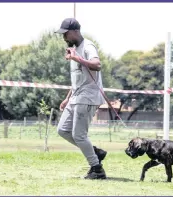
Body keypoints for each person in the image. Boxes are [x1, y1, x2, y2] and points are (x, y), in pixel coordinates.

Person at [55, 18, 107, 179]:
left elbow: (97, 65)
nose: (64, 37)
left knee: (79, 135)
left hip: (88, 97)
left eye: (66, 33)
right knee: (62, 130)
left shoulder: (88, 46)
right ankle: (95, 152)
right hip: (76, 97)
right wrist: (67, 98)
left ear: (75, 31)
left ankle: (97, 169)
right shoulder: (74, 49)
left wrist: (77, 58)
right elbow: (78, 79)